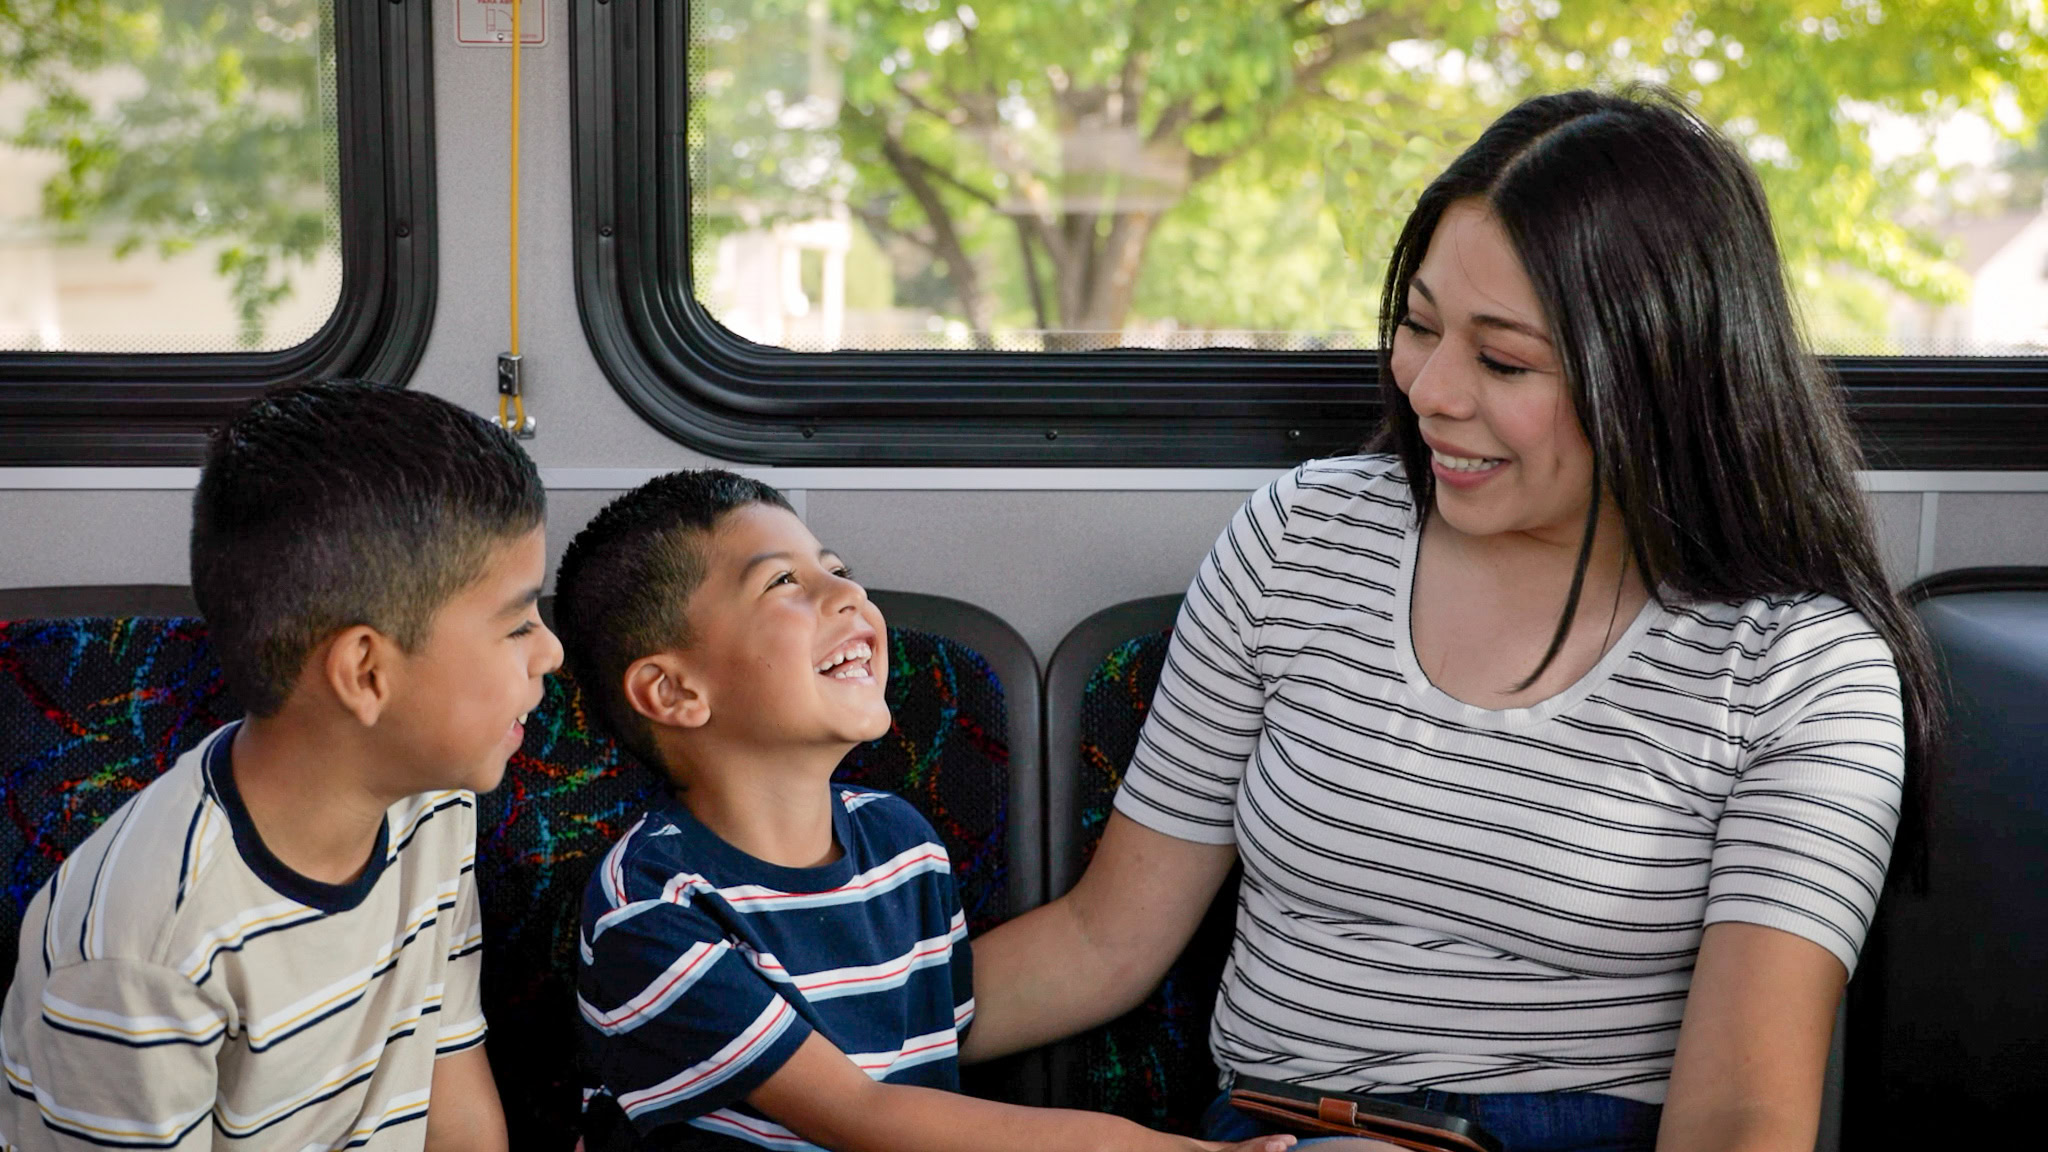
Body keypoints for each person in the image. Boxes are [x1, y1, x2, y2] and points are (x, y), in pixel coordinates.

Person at [961, 88, 1943, 1152]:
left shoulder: (1800, 672)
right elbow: (1103, 944)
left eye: (1503, 361)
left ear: (1659, 377)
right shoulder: (1301, 534)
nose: (1427, 390)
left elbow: (1737, 1123)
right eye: (1418, 326)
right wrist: (805, 1041)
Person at [555, 470, 1293, 1152]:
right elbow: (865, 1116)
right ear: (675, 693)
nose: (848, 595)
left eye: (836, 569)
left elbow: (928, 1055)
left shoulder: (900, 844)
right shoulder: (652, 903)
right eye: (784, 582)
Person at [0, 381, 555, 1151]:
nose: (551, 654)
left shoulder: (433, 807)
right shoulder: (142, 951)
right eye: (519, 624)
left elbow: (451, 1092)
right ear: (366, 674)